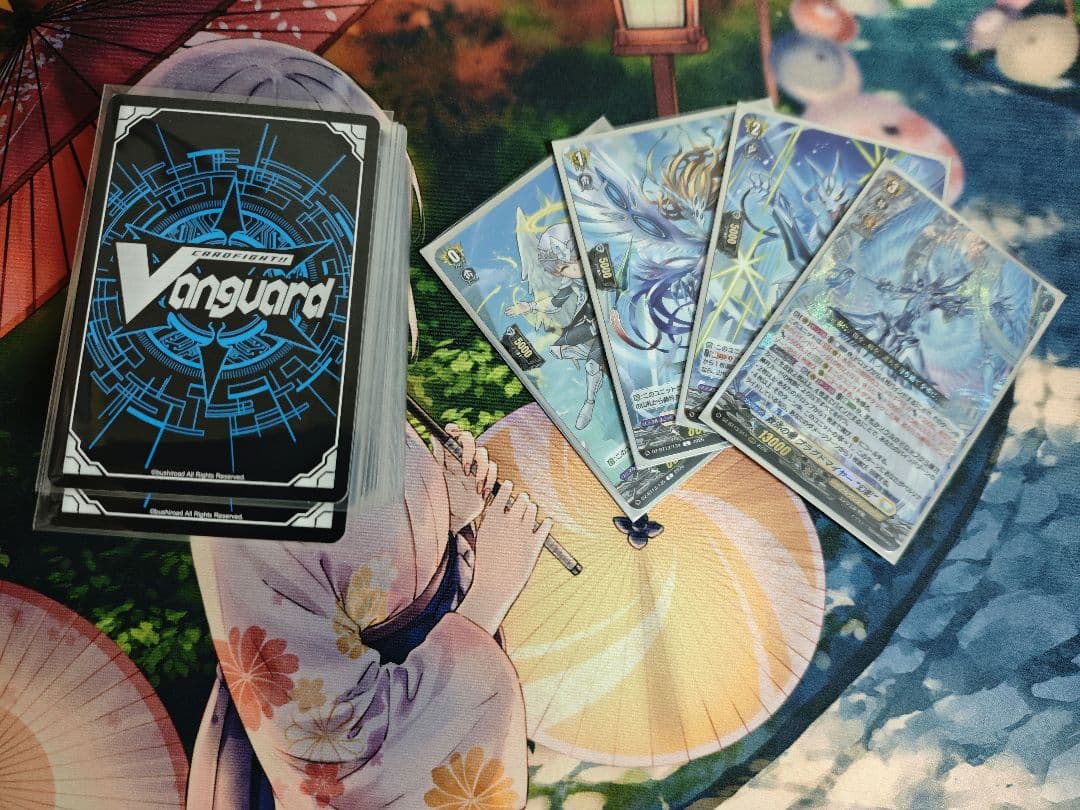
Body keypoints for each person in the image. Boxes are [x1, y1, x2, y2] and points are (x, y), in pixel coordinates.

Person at [187, 419, 550, 809]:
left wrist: (444, 511)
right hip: (373, 730)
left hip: (433, 652)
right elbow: (340, 742)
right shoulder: (245, 500)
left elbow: (375, 561)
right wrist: (489, 593)